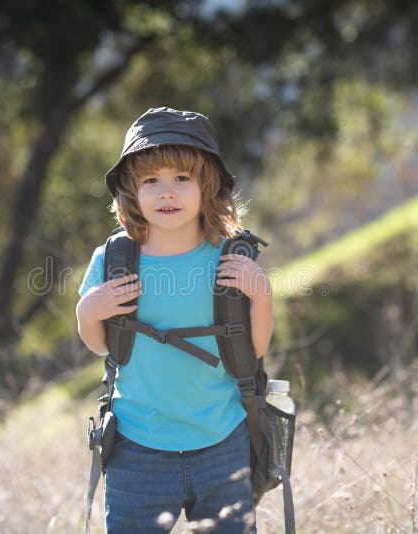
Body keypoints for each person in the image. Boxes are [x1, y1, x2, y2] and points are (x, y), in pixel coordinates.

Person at [76, 107, 273, 533]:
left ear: (208, 185)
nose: (167, 192)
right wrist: (88, 312)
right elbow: (101, 346)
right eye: (151, 180)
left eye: (182, 178)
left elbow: (254, 349)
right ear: (132, 191)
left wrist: (261, 294)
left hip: (222, 438)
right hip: (136, 446)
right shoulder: (113, 259)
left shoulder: (230, 256)